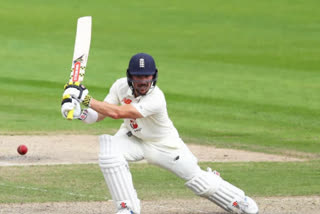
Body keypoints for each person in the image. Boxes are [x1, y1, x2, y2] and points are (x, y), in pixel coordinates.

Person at [61, 53, 259, 214]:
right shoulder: (120, 86)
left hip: (164, 145)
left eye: (147, 76)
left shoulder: (157, 98)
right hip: (133, 138)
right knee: (109, 153)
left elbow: (117, 113)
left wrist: (84, 98)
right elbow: (99, 115)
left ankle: (239, 200)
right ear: (130, 76)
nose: (143, 81)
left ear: (154, 75)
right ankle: (127, 209)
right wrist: (80, 112)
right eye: (138, 76)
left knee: (199, 181)